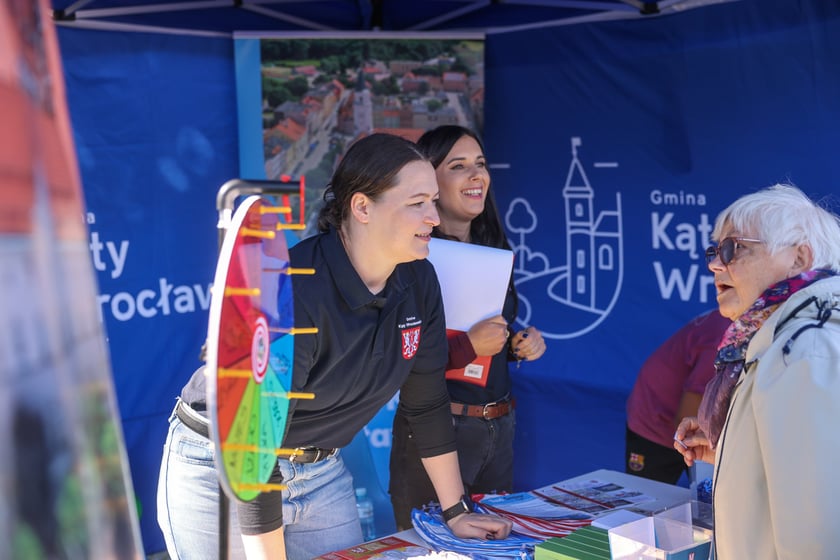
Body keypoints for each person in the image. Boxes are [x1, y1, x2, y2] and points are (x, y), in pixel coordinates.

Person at [157, 133, 512, 560]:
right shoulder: (294, 289)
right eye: (417, 203)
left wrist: (456, 511)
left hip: (320, 471)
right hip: (226, 464)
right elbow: (257, 444)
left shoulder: (420, 280)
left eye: (433, 201)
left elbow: (427, 402)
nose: (434, 217)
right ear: (362, 207)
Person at [389, 125, 546, 530]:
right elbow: (398, 359)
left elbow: (489, 338)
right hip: (437, 432)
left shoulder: (493, 247)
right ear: (429, 181)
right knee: (432, 550)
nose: (477, 175)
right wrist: (469, 346)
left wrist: (517, 344)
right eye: (458, 166)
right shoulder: (410, 258)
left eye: (480, 163)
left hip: (498, 426)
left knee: (496, 545)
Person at [673, 183, 840, 559]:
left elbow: (822, 537)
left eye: (733, 249)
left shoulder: (807, 348)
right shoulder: (783, 339)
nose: (715, 265)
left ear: (799, 258)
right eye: (714, 251)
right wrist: (735, 447)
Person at [625, 309, 730, 484]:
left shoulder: (741, 321)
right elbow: (686, 421)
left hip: (682, 412)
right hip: (655, 420)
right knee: (648, 496)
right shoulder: (722, 341)